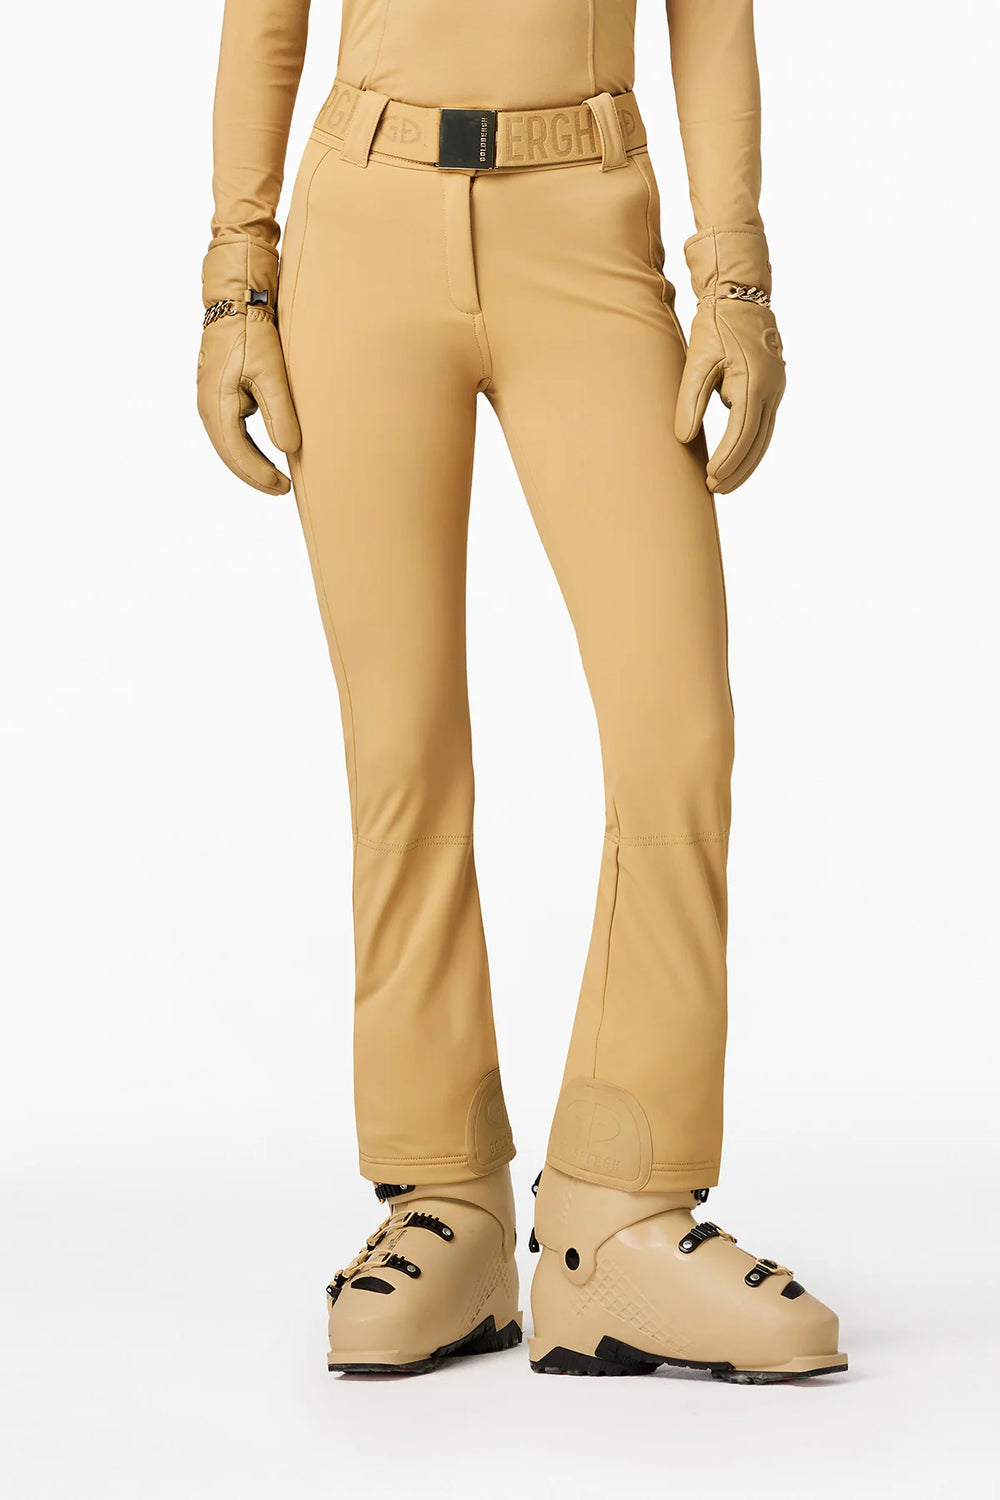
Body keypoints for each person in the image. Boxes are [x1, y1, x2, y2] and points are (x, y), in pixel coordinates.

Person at [197, 0, 846, 1383]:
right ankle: (447, 1197)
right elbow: (265, 18)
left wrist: (734, 278)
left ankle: (618, 1209)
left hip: (588, 224)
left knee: (676, 729)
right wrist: (235, 279)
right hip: (362, 227)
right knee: (402, 744)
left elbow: (711, 12)